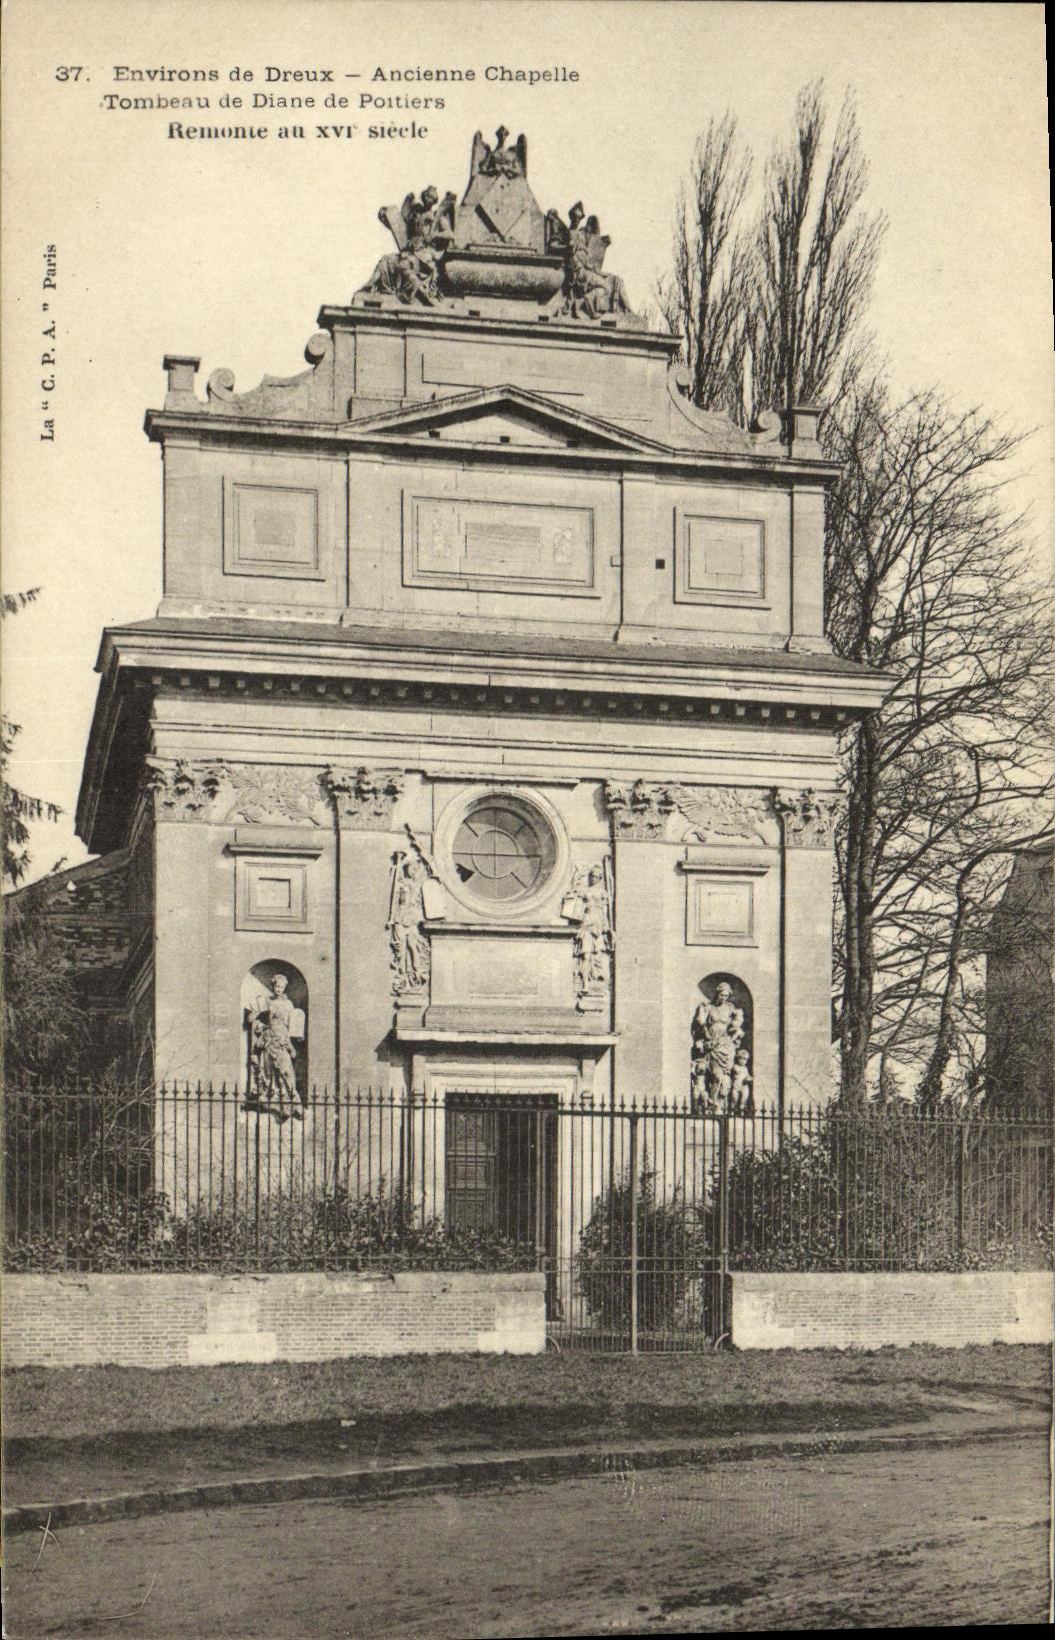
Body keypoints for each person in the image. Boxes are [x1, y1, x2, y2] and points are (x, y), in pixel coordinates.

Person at [248, 973, 302, 1119]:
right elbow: (256, 1020)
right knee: (268, 1070)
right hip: (269, 1038)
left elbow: (295, 1023)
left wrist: (294, 1037)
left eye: (281, 986)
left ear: (285, 987)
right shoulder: (267, 1002)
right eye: (276, 986)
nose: (278, 989)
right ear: (273, 987)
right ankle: (270, 1096)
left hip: (283, 1039)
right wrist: (255, 1018)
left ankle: (290, 1097)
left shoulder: (288, 1004)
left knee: (286, 1069)